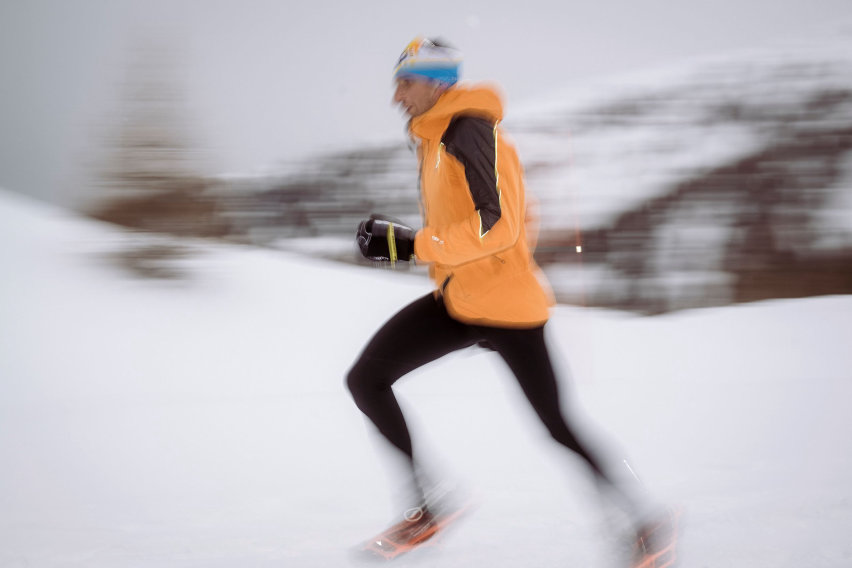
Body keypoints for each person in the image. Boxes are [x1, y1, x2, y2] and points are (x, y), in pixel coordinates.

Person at [347, 37, 678, 566]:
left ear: (435, 82)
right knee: (365, 379)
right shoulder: (435, 140)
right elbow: (515, 214)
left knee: (558, 426)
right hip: (459, 299)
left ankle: (648, 524)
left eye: (404, 83)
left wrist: (415, 245)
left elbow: (497, 224)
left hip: (508, 310)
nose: (396, 97)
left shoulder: (469, 130)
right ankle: (427, 509)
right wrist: (416, 242)